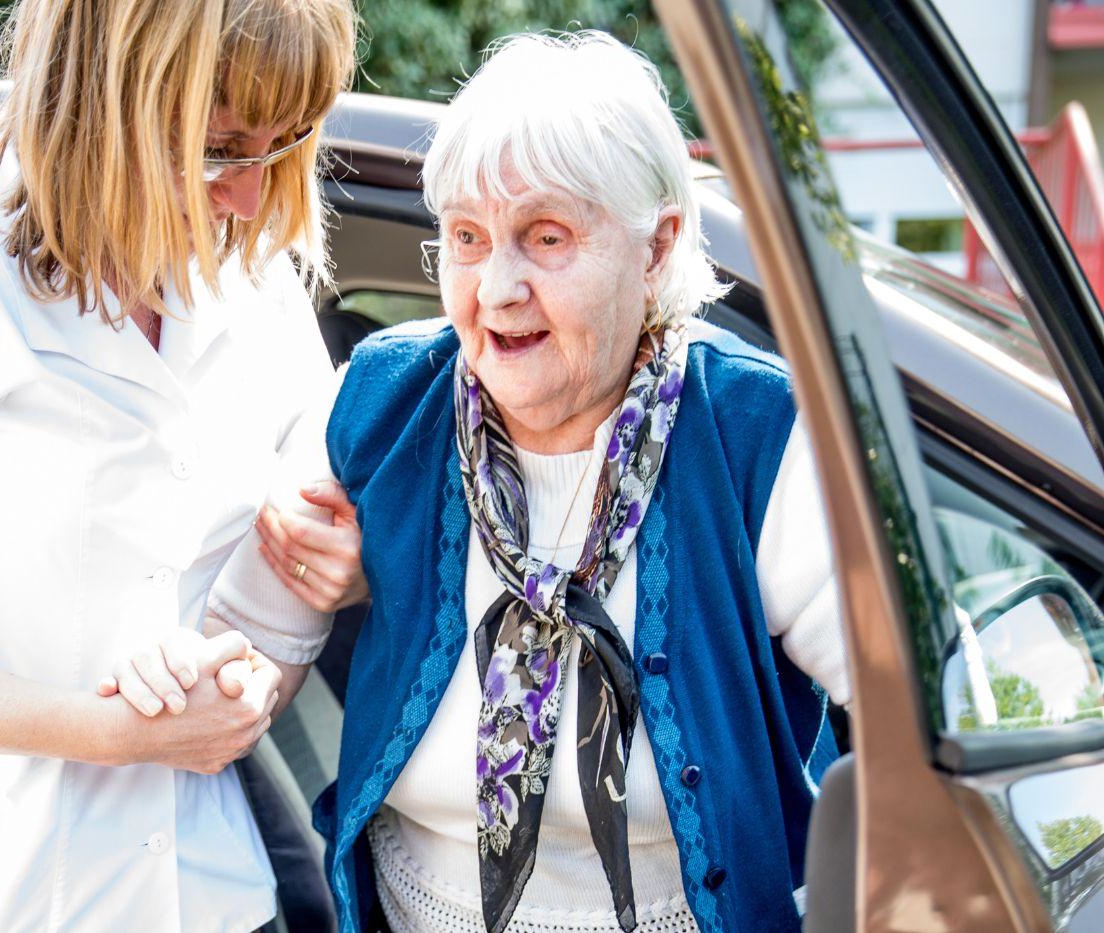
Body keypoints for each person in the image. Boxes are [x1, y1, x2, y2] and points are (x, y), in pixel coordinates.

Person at [120, 29, 853, 933]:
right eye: (467, 237)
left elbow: (913, 721)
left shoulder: (751, 433)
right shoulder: (382, 405)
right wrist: (184, 670)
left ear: (656, 247)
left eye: (546, 237)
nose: (496, 287)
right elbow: (247, 662)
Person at [0, 1, 358, 930]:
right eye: (220, 147)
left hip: (200, 897)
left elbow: (272, 604)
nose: (249, 197)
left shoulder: (260, 291)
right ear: (101, 100)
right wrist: (109, 734)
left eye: (280, 147)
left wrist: (277, 645)